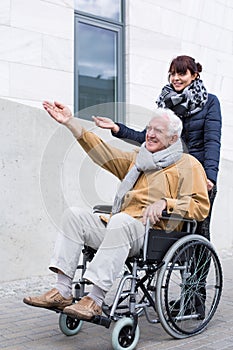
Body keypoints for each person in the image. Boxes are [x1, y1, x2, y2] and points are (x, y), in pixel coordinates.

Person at [23, 102, 210, 321]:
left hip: (153, 234)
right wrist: (71, 123)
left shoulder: (188, 164)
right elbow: (104, 153)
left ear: (173, 139)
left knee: (121, 221)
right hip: (119, 227)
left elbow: (200, 206)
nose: (149, 134)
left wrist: (167, 203)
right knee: (74, 215)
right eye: (149, 128)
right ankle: (63, 291)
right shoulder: (138, 160)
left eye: (157, 131)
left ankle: (95, 299)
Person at [93, 55, 222, 240]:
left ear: (194, 75)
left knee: (198, 231)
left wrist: (209, 177)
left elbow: (212, 141)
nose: (175, 78)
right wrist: (117, 128)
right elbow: (145, 137)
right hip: (169, 172)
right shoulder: (166, 103)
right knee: (164, 224)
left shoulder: (209, 102)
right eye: (172, 74)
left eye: (181, 73)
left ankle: (199, 269)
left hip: (196, 174)